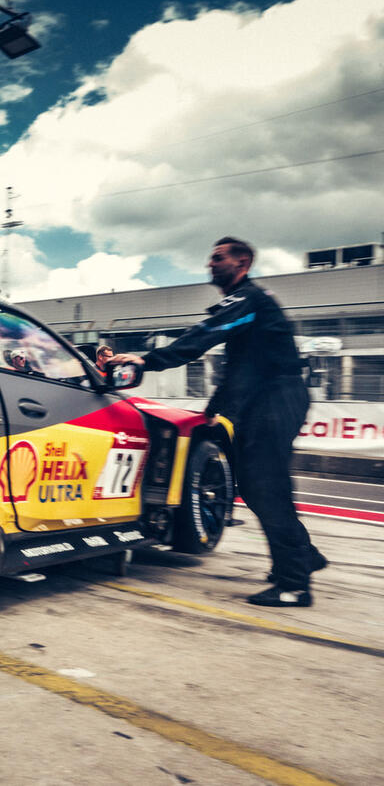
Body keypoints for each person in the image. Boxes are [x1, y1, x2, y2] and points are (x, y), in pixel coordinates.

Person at [110, 237, 324, 607]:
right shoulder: (249, 301)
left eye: (218, 258)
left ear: (243, 262)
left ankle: (294, 585)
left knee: (265, 487)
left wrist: (148, 360)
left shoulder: (246, 299)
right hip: (263, 400)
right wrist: (216, 407)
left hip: (276, 399)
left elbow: (207, 334)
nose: (210, 264)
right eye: (210, 258)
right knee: (256, 487)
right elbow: (243, 363)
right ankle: (303, 556)